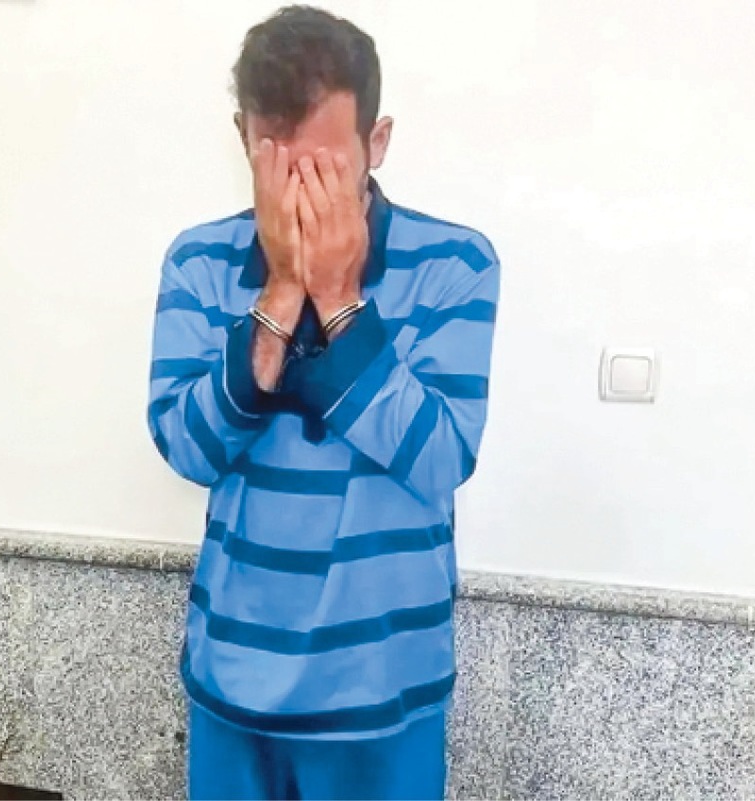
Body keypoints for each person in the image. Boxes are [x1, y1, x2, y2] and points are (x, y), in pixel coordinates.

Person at [147, 5, 500, 799]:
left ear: (377, 142)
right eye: (278, 165)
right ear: (243, 139)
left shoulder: (456, 263)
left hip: (386, 688)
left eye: (326, 168)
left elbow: (441, 457)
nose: (302, 192)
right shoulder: (199, 262)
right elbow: (188, 448)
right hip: (235, 681)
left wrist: (340, 299)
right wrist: (279, 292)